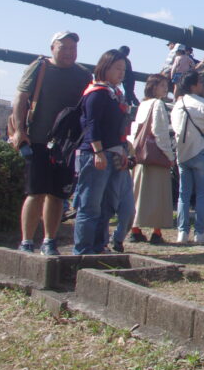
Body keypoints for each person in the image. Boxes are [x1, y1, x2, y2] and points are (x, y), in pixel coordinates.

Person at [11, 31, 92, 255]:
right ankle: (27, 241)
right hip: (38, 139)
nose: (69, 52)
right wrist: (19, 130)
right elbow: (20, 97)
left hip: (65, 145)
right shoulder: (39, 67)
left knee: (58, 195)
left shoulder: (83, 74)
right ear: (52, 49)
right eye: (63, 47)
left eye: (73, 48)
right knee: (35, 192)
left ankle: (49, 240)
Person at [73, 49, 130, 255]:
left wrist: (122, 151)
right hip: (96, 154)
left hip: (113, 153)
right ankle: (83, 251)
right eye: (117, 68)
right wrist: (98, 152)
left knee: (106, 206)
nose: (121, 73)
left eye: (123, 69)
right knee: (90, 206)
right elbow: (92, 125)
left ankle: (99, 246)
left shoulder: (114, 94)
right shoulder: (97, 93)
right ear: (105, 67)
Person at [171, 71, 204, 245]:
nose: (202, 85)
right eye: (200, 83)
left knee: (183, 195)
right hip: (201, 152)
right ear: (194, 85)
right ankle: (199, 232)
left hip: (182, 153)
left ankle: (182, 232)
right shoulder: (203, 105)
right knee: (202, 195)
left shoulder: (177, 106)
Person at [128, 74, 175, 245]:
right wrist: (169, 156)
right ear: (154, 87)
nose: (165, 88)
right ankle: (156, 232)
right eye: (162, 85)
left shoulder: (143, 104)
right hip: (156, 157)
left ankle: (135, 230)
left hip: (140, 155)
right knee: (158, 195)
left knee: (138, 194)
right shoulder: (157, 104)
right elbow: (160, 132)